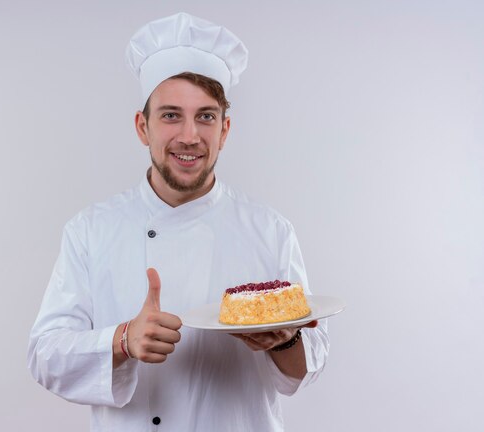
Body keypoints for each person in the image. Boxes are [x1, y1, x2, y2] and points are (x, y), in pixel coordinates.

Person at [28, 12, 329, 431]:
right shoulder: (90, 230)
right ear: (142, 126)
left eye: (205, 116)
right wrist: (122, 340)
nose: (189, 136)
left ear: (224, 130)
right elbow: (45, 356)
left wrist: (287, 339)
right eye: (171, 115)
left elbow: (304, 369)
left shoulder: (270, 230)